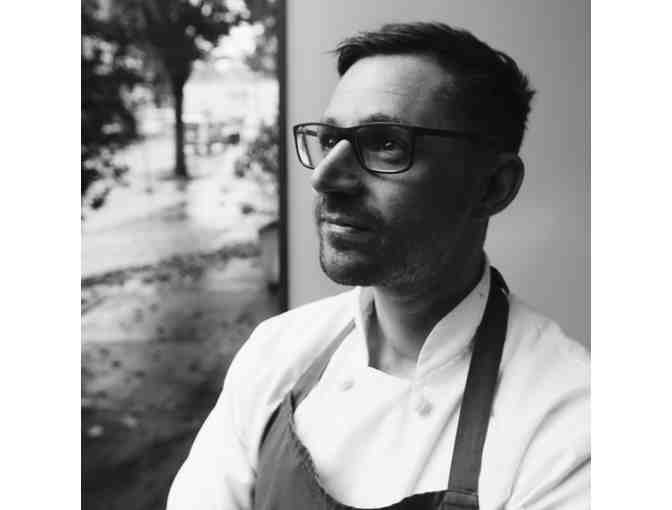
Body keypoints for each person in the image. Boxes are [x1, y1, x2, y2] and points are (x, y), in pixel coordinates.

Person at [167, 22, 589, 510]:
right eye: (330, 139)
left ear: (494, 186)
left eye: (386, 143)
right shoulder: (275, 352)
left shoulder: (573, 422)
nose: (326, 178)